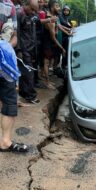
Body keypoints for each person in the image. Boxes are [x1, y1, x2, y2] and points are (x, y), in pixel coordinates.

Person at [0, 0, 28, 152]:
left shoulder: (9, 6)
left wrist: (3, 49)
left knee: (10, 102)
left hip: (5, 65)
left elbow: (15, 37)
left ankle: (5, 141)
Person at [16, 0, 39, 104]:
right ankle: (31, 96)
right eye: (32, 9)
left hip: (31, 49)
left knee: (25, 73)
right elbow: (17, 33)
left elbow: (32, 34)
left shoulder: (31, 16)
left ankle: (24, 93)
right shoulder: (19, 14)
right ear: (27, 5)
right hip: (23, 49)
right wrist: (19, 50)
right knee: (29, 73)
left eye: (35, 10)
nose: (34, 12)